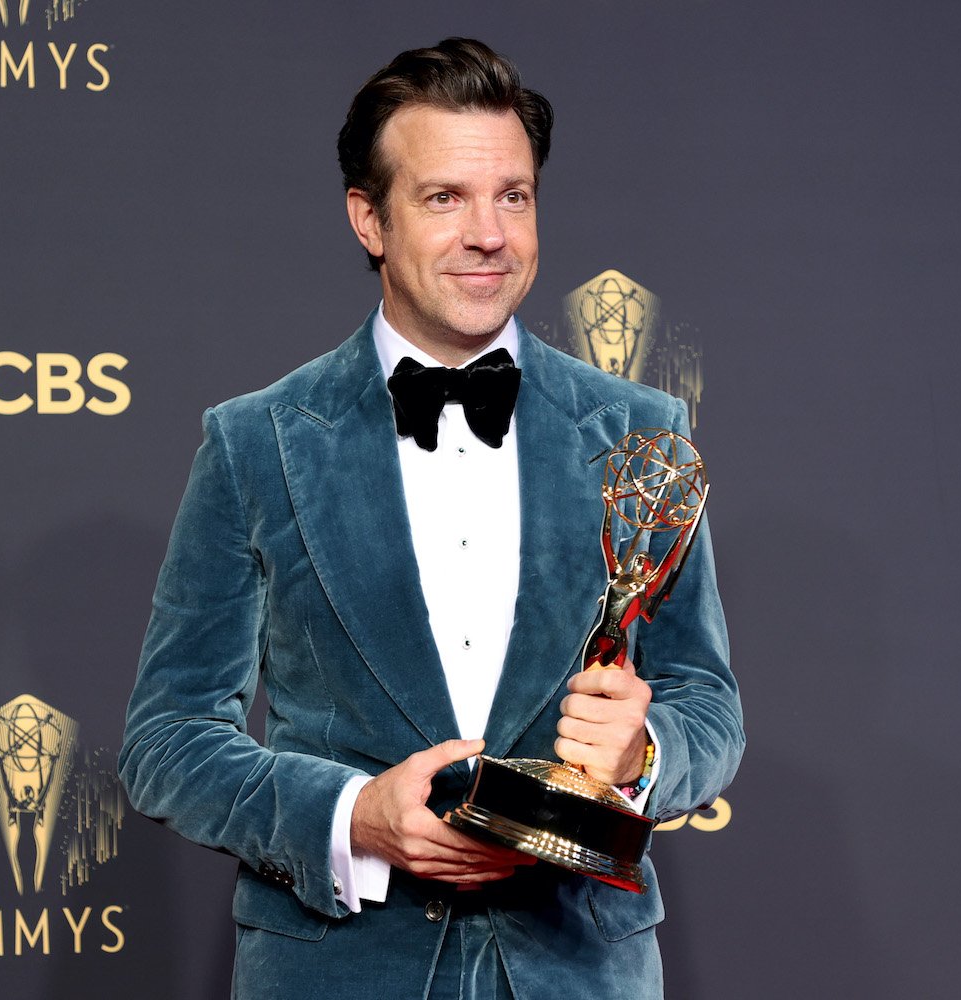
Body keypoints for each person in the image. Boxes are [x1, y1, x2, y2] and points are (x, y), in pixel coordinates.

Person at [119, 37, 744, 1000]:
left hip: (579, 968)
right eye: (444, 198)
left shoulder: (642, 433)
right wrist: (354, 815)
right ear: (369, 219)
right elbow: (168, 739)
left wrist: (644, 752)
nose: (488, 234)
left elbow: (706, 701)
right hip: (336, 969)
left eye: (513, 196)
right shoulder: (256, 442)